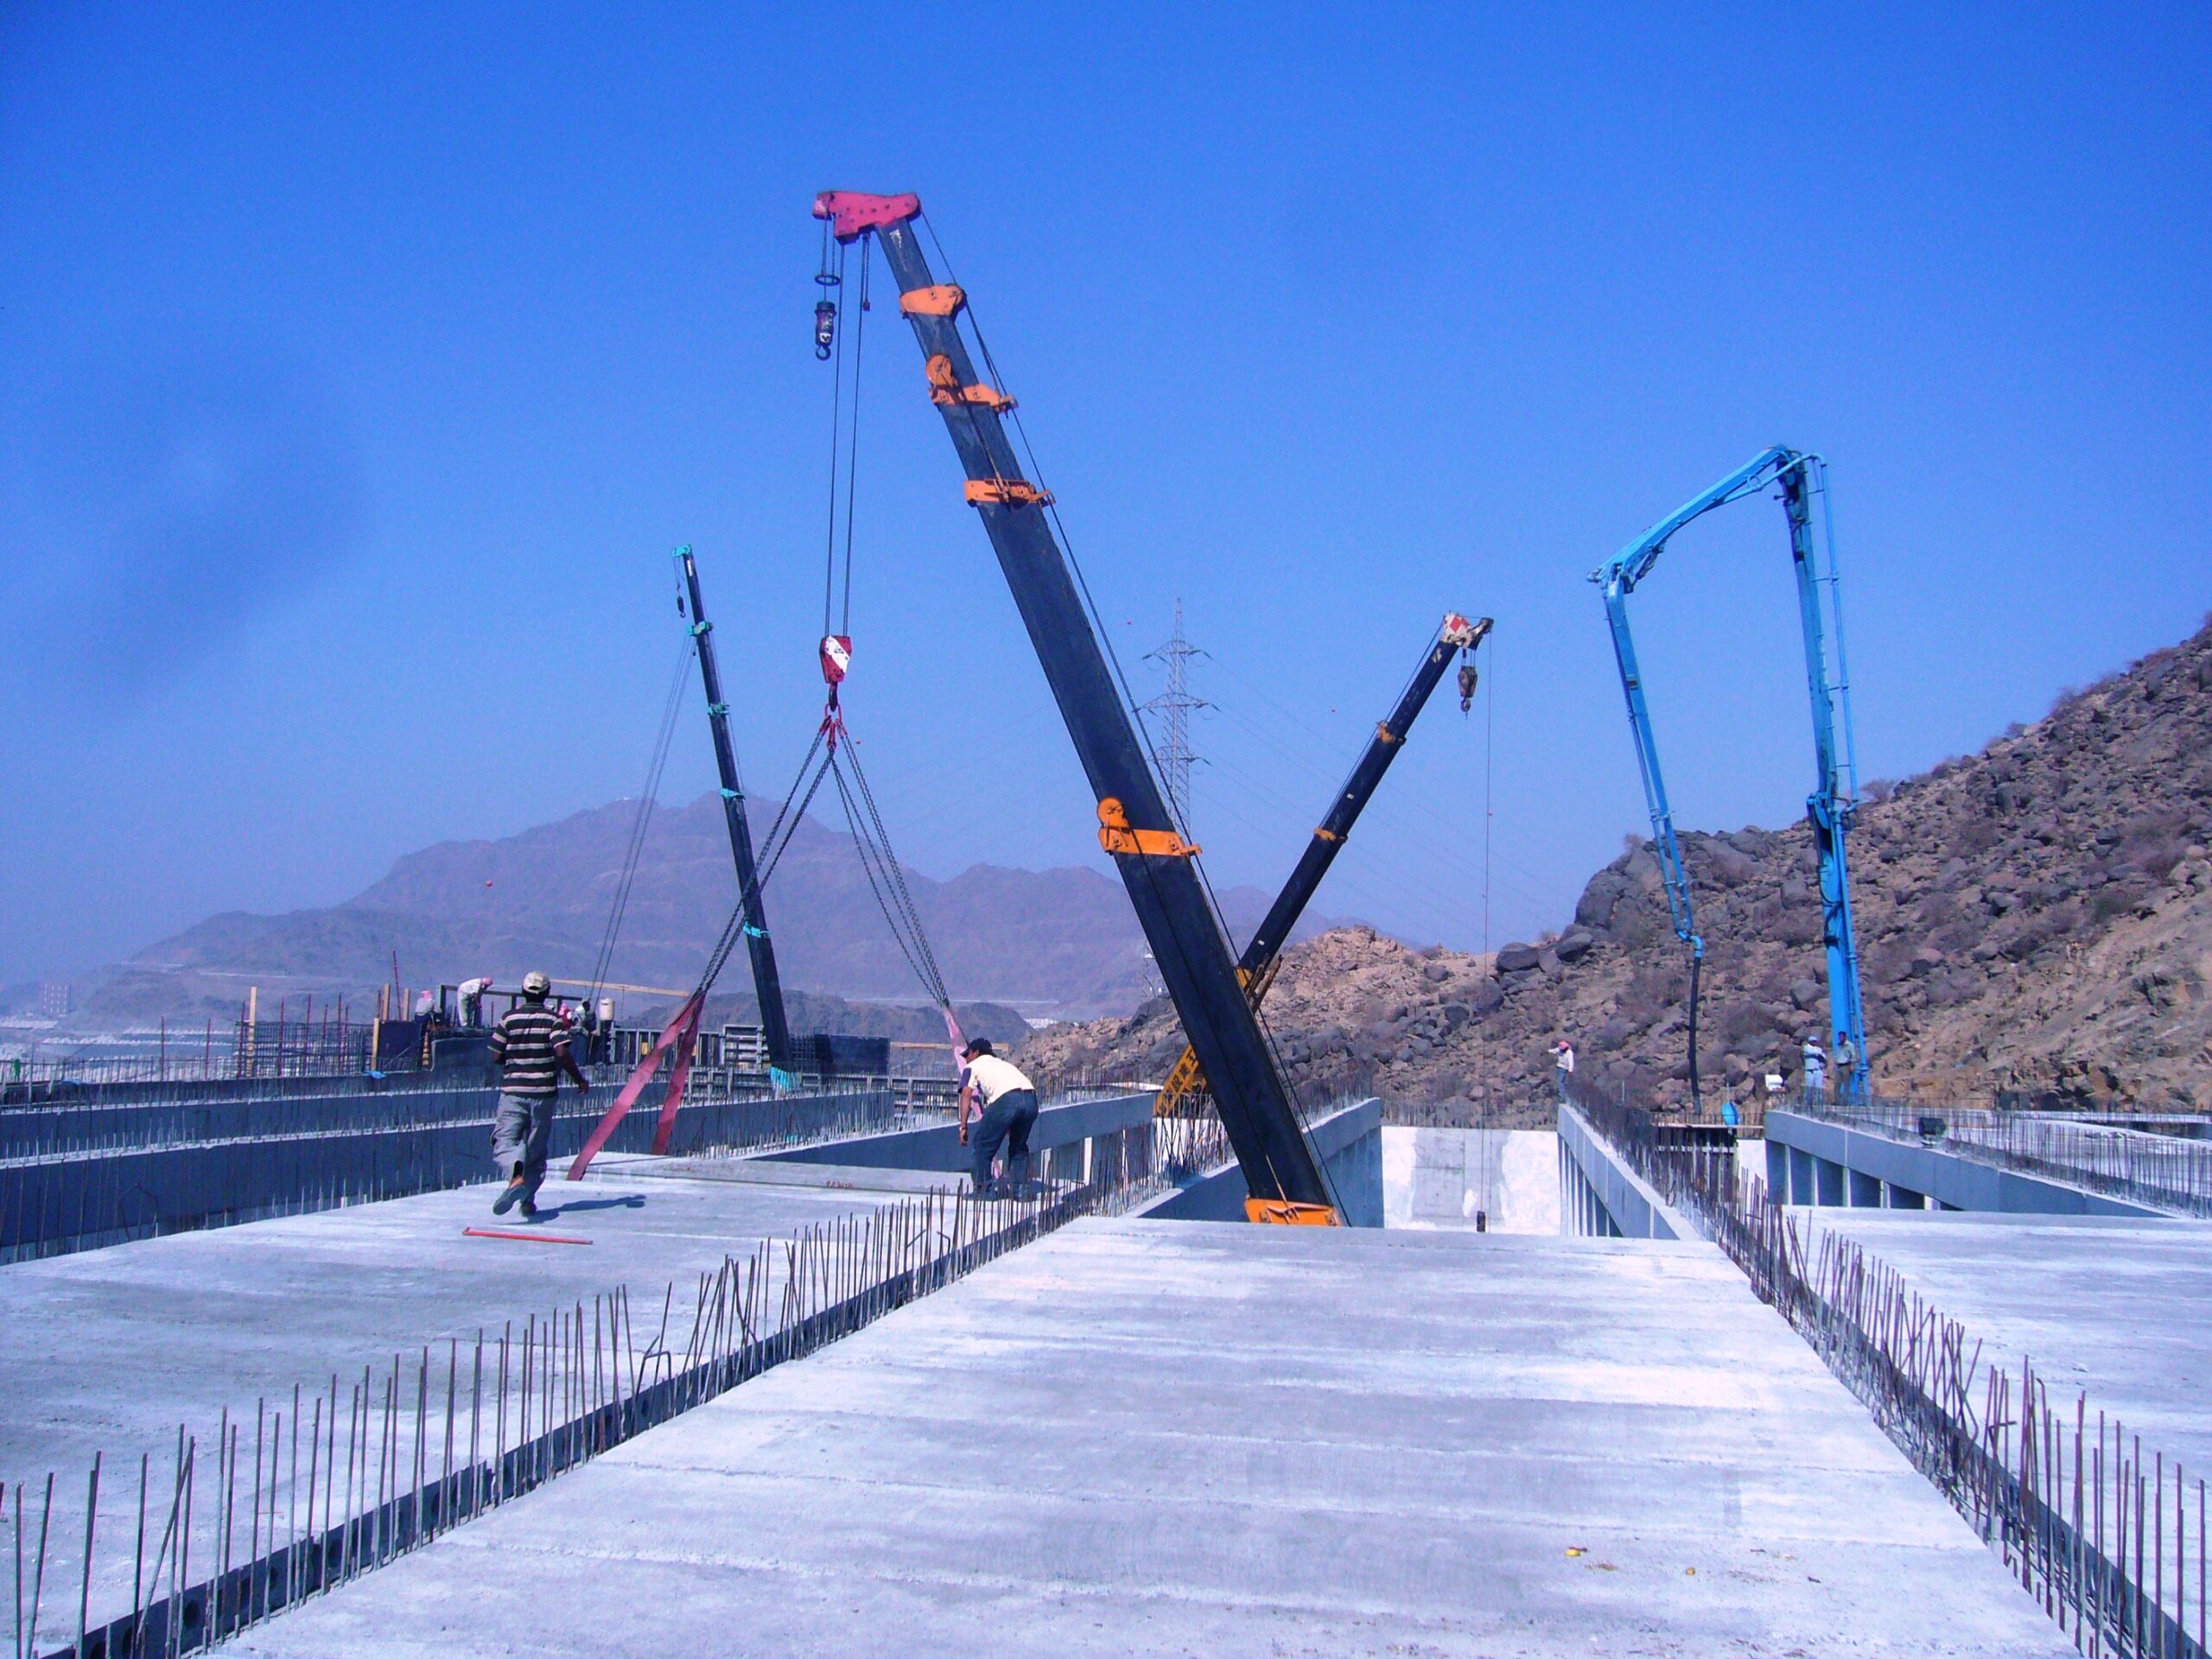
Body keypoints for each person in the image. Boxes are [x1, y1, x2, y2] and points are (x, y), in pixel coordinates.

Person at [487, 971, 590, 1217]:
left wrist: (513, 1056)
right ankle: (527, 1199)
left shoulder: (509, 1018)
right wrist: (579, 1080)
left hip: (513, 1092)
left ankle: (515, 1176)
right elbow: (562, 1053)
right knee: (535, 1148)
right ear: (546, 994)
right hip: (544, 1093)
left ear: (523, 991)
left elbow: (495, 1055)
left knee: (505, 1141)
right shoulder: (553, 1020)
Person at [957, 1039, 1039, 1198]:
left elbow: (966, 1095)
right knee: (1019, 1147)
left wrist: (963, 1127)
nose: (965, 1058)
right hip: (1030, 1099)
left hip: (1006, 1100)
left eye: (967, 1054)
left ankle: (983, 1191)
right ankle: (1020, 1191)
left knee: (982, 1146)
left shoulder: (972, 1066)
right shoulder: (1004, 1065)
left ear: (976, 1052)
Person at [1801, 1036, 1827, 1103]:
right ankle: (1808, 1104)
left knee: (1819, 1088)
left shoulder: (1818, 1049)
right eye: (1813, 1041)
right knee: (1809, 1088)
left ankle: (1819, 1103)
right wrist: (1819, 1052)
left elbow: (1824, 1058)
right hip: (1810, 1070)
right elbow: (1810, 1052)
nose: (1815, 1043)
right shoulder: (1806, 1047)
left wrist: (1822, 1065)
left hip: (1818, 1070)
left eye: (1816, 1041)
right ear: (1810, 1042)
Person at [1551, 1038, 1576, 1104]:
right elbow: (1554, 1051)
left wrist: (1570, 1070)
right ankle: (1561, 1096)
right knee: (1559, 1082)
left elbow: (1571, 1062)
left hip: (1564, 1069)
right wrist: (1546, 1051)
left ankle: (1562, 1098)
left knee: (1560, 1082)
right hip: (1559, 1067)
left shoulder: (1569, 1052)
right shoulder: (1560, 1049)